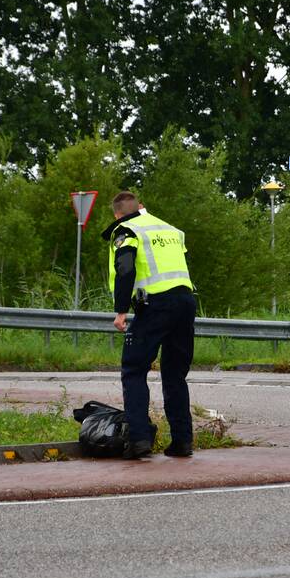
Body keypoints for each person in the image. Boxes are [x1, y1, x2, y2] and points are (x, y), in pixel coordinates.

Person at [102, 191, 197, 459]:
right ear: (141, 207)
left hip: (155, 305)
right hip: (185, 302)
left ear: (117, 215)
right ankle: (182, 442)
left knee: (133, 370)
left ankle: (139, 440)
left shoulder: (127, 230)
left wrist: (121, 311)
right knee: (174, 374)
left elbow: (125, 269)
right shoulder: (170, 229)